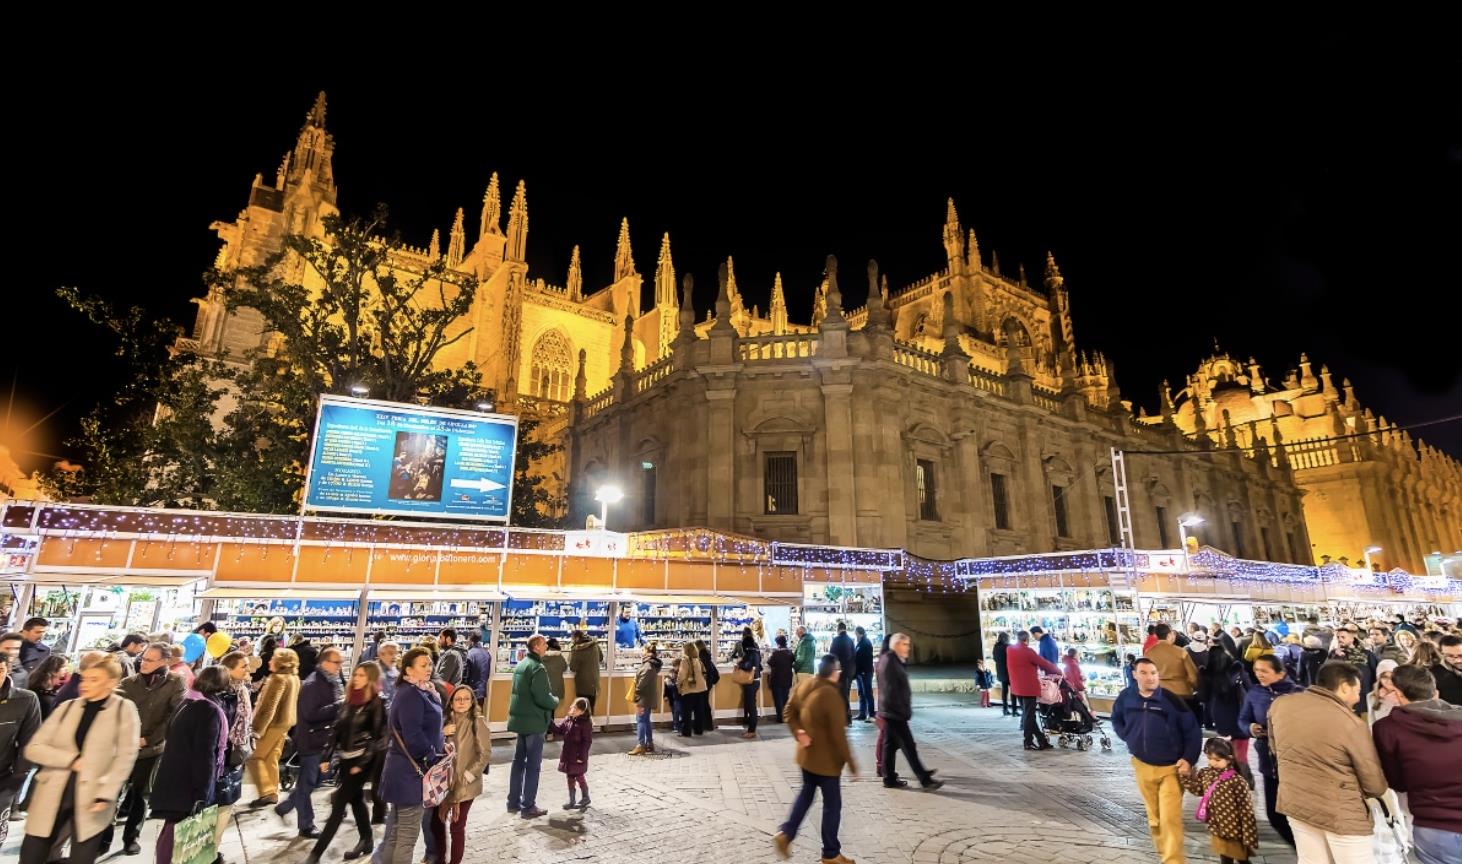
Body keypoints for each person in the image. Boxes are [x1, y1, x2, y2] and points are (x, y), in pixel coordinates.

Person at [19, 656, 140, 864]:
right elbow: (34, 748)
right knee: (32, 854)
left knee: (82, 856)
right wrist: (71, 759)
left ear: (111, 682)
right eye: (84, 679)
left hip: (93, 797)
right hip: (52, 792)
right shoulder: (67, 708)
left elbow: (125, 757)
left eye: (94, 679)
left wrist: (106, 792)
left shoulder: (123, 710)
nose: (85, 684)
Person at [1267, 660, 1388, 863]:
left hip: (1297, 802)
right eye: (1357, 691)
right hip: (1341, 812)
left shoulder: (1281, 705)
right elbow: (1373, 784)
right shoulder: (1350, 723)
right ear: (1344, 686)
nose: (1358, 698)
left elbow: (1274, 748)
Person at [1110, 657, 1202, 864]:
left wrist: (1188, 759)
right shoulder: (1126, 697)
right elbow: (1116, 718)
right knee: (1155, 818)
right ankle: (1164, 854)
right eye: (1144, 673)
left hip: (1171, 769)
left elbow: (1193, 732)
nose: (1150, 677)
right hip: (1142, 765)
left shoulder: (1171, 700)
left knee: (1170, 819)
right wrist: (1127, 735)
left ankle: (1173, 860)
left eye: (1153, 673)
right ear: (1135, 675)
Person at [774, 654, 857, 864]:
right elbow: (839, 736)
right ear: (833, 672)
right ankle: (831, 854)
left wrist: (798, 732)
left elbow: (788, 711)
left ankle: (786, 833)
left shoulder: (805, 684)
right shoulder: (831, 695)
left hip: (806, 756)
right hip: (826, 762)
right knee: (832, 806)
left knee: (806, 794)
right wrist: (852, 763)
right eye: (838, 670)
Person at [1373, 664, 1459, 864]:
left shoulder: (1386, 729)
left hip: (1433, 826)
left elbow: (1396, 781)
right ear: (1435, 693)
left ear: (1399, 694)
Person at [149, 667, 230, 864]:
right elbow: (204, 755)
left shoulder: (187, 702)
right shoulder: (209, 710)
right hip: (188, 785)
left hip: (173, 778)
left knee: (172, 830)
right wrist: (202, 793)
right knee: (179, 837)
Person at [112, 641, 186, 855]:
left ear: (165, 661)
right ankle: (104, 839)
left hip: (152, 749)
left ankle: (131, 837)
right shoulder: (128, 683)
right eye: (143, 658)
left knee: (140, 794)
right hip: (122, 747)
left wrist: (150, 739)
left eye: (150, 660)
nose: (144, 663)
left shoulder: (175, 682)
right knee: (113, 793)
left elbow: (174, 715)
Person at [306, 660, 384, 864]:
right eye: (355, 674)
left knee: (339, 805)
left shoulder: (377, 703)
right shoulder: (349, 700)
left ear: (371, 679)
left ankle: (315, 854)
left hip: (362, 762)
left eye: (361, 676)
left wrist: (363, 763)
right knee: (356, 799)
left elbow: (378, 738)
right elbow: (336, 731)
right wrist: (326, 756)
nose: (356, 678)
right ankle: (366, 839)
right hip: (345, 760)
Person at [378, 647, 443, 864]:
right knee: (406, 837)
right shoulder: (411, 695)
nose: (429, 668)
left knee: (396, 834)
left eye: (430, 664)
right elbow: (413, 736)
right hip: (410, 774)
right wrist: (433, 756)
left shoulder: (418, 691)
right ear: (408, 669)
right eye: (423, 665)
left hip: (403, 772)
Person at [278, 646, 344, 837]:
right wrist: (339, 705)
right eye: (336, 662)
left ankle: (287, 805)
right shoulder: (313, 684)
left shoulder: (331, 681)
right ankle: (306, 825)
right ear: (324, 663)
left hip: (324, 741)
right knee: (307, 784)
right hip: (312, 741)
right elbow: (310, 714)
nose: (340, 666)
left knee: (313, 782)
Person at [1238, 654, 1303, 848]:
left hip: (1295, 762)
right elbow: (1242, 720)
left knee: (1299, 813)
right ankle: (1301, 849)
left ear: (1280, 672)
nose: (1259, 675)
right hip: (1269, 762)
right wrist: (1251, 728)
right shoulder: (1254, 693)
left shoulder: (1298, 693)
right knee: (1274, 815)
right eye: (1256, 670)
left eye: (1264, 671)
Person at [431, 684, 491, 864]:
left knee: (457, 827)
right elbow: (433, 747)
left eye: (466, 698)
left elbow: (485, 752)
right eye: (458, 699)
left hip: (465, 785)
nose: (462, 702)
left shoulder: (477, 722)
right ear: (451, 703)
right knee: (437, 824)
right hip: (444, 782)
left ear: (472, 702)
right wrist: (441, 733)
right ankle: (439, 859)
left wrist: (469, 775)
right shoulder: (444, 721)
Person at [1178, 738, 1258, 864]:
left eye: (1217, 760)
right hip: (1217, 828)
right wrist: (1185, 778)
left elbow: (1246, 810)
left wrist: (1249, 835)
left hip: (1235, 832)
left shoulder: (1237, 781)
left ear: (1229, 758)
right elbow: (1198, 789)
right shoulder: (1205, 773)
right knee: (1225, 858)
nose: (1212, 763)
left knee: (1242, 860)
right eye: (1209, 758)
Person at [877, 634, 942, 790]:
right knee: (908, 747)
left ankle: (889, 777)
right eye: (905, 644)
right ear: (897, 644)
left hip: (891, 710)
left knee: (889, 745)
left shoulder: (892, 660)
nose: (908, 647)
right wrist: (901, 710)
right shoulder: (890, 662)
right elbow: (891, 689)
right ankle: (924, 779)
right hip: (894, 712)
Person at [506, 634, 558, 819]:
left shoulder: (521, 665)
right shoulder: (538, 668)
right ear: (536, 647)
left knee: (518, 762)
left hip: (521, 721)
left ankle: (513, 801)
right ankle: (528, 806)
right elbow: (543, 697)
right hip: (535, 721)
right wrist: (555, 701)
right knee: (533, 765)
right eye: (544, 644)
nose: (546, 647)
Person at [246, 646, 300, 808]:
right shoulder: (293, 678)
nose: (269, 661)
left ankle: (266, 792)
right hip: (284, 724)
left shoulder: (277, 679)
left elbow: (268, 708)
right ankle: (272, 792)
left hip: (271, 724)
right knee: (271, 757)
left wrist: (256, 730)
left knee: (254, 757)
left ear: (279, 662)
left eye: (273, 658)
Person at [0, 650, 41, 830]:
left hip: (3, 779)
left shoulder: (26, 700)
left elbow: (30, 742)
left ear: (7, 670)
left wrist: (16, 779)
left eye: (0, 670)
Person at [1006, 630, 1062, 750]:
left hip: (1017, 688)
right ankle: (1028, 741)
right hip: (1028, 688)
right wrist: (1060, 672)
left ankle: (1041, 740)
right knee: (1029, 716)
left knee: (1028, 715)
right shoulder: (1028, 652)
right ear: (1027, 640)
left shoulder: (1010, 650)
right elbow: (1044, 664)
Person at [1204, 641, 1250, 766]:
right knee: (1241, 756)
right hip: (1240, 713)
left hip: (1220, 718)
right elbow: (1249, 687)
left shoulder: (1207, 673)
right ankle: (1243, 780)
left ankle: (1228, 780)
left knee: (1225, 754)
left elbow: (1203, 697)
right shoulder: (1237, 668)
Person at [1146, 623, 1199, 710]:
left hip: (1159, 694)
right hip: (1182, 694)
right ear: (1169, 635)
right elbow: (1193, 676)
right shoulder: (1181, 652)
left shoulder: (1149, 653)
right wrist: (1196, 688)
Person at [553, 697, 593, 810]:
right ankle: (572, 800)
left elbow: (587, 742)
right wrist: (548, 721)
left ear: (582, 711)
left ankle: (586, 797)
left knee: (579, 775)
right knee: (570, 776)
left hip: (577, 756)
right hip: (568, 754)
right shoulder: (568, 719)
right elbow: (559, 730)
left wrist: (582, 756)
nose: (572, 710)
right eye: (573, 707)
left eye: (576, 709)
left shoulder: (585, 724)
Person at [630, 645, 661, 756]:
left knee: (641, 720)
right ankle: (649, 743)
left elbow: (641, 684)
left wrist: (636, 694)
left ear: (648, 652)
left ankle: (640, 745)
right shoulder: (652, 665)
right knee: (646, 720)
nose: (642, 652)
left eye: (643, 650)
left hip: (643, 697)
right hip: (647, 696)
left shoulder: (648, 666)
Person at [735, 629, 764, 738]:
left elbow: (747, 665)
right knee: (751, 704)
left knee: (751, 706)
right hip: (756, 680)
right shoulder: (756, 649)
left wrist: (740, 664)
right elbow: (758, 663)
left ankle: (752, 731)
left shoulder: (749, 653)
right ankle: (750, 729)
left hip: (750, 681)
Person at [675, 641, 708, 736]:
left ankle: (686, 731)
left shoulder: (685, 661)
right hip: (701, 688)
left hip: (689, 688)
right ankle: (699, 730)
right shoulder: (698, 660)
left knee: (687, 712)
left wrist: (678, 684)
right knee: (699, 711)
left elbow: (682, 675)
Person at [567, 630, 602, 712]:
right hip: (594, 683)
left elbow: (573, 668)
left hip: (582, 685)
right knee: (590, 708)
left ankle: (583, 724)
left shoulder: (577, 649)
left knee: (581, 710)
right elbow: (601, 658)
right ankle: (589, 724)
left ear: (577, 638)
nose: (572, 640)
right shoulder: (594, 644)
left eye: (572, 638)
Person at [541, 638, 568, 740]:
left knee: (541, 711)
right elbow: (565, 667)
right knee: (551, 712)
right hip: (555, 688)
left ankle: (540, 732)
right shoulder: (559, 656)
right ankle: (549, 733)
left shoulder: (542, 656)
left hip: (543, 687)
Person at [27, 655, 69, 720]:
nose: (66, 669)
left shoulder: (55, 686)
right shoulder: (44, 694)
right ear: (53, 669)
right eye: (63, 667)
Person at [829, 623, 856, 725]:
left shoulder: (836, 640)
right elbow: (854, 656)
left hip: (839, 672)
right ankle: (846, 718)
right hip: (849, 672)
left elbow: (832, 656)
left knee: (841, 695)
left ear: (838, 629)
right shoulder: (850, 640)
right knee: (845, 694)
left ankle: (846, 718)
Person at [767, 634, 795, 725]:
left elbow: (770, 663)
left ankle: (780, 718)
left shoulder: (776, 653)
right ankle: (786, 716)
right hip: (787, 679)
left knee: (778, 699)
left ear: (778, 643)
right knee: (785, 698)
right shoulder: (790, 653)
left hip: (777, 679)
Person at [696, 638, 720, 732]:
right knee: (705, 704)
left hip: (703, 683)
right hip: (707, 683)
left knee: (702, 704)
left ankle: (703, 725)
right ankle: (707, 724)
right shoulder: (707, 656)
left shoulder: (701, 657)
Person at [853, 626, 875, 722]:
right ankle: (862, 714)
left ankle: (871, 715)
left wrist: (862, 670)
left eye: (856, 633)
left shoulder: (865, 643)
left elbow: (866, 659)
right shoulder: (860, 643)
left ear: (859, 633)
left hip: (865, 672)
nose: (855, 635)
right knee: (861, 693)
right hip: (860, 672)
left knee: (868, 693)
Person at [1367, 659, 1400, 724]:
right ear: (1379, 679)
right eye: (1385, 677)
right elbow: (1372, 721)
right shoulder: (1372, 696)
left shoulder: (1405, 695)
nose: (1389, 681)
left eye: (1392, 676)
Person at [1433, 634, 1462, 705]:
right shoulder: (1433, 675)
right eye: (1450, 656)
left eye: (1461, 655)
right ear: (1441, 653)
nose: (1458, 660)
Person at [464, 631, 492, 702]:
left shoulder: (470, 654)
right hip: (482, 691)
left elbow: (466, 676)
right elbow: (488, 673)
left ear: (470, 640)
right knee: (479, 711)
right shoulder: (486, 653)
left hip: (471, 691)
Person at [991, 632, 1012, 716]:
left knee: (1004, 690)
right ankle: (1014, 709)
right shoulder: (1008, 646)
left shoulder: (996, 647)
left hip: (1001, 671)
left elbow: (995, 658)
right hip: (1009, 671)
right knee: (1013, 691)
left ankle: (1005, 709)